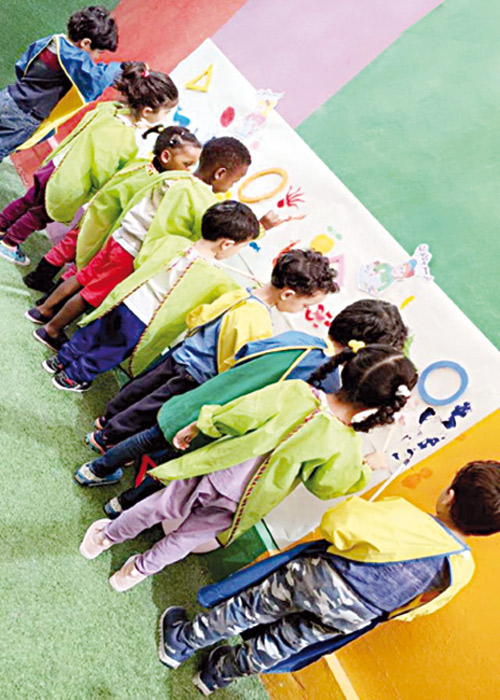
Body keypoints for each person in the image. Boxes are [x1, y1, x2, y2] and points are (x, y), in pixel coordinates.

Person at [77, 344, 417, 593]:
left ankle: (106, 537)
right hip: (247, 500)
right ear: (381, 406)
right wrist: (365, 468)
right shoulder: (346, 443)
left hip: (217, 470)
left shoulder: (298, 392)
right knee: (187, 537)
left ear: (348, 367)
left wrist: (201, 424)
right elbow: (326, 486)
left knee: (158, 506)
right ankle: (135, 572)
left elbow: (241, 414)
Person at [154, 460, 500, 694]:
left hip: (321, 577)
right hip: (356, 615)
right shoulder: (462, 568)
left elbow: (337, 525)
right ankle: (216, 675)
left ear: (449, 495)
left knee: (249, 609)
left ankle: (181, 642)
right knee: (281, 644)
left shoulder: (408, 517)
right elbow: (416, 609)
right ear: (485, 532)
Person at [93, 298, 408, 517]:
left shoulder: (298, 338)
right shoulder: (327, 383)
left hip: (207, 395)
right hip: (224, 425)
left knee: (152, 435)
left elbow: (246, 353)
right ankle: (120, 506)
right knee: (173, 468)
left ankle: (96, 469)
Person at [84, 249, 339, 454]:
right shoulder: (258, 320)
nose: (303, 311)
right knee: (149, 408)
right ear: (288, 294)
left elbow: (200, 317)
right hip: (196, 374)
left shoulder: (243, 294)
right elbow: (240, 364)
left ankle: (107, 420)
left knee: (141, 389)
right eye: (305, 305)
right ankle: (106, 438)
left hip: (182, 354)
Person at [42, 201, 259, 392]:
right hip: (143, 321)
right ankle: (73, 377)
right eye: (240, 248)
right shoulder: (214, 276)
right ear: (227, 244)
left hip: (124, 299)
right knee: (110, 351)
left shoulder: (173, 242)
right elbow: (226, 299)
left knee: (93, 332)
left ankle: (60, 360)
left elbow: (143, 260)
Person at [27, 126, 202, 351]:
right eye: (187, 164)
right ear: (166, 157)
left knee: (82, 276)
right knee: (91, 291)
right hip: (121, 244)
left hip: (112, 235)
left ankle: (43, 309)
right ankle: (51, 328)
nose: (189, 171)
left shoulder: (142, 168)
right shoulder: (166, 186)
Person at [22, 134, 252, 294]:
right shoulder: (182, 188)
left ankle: (45, 291)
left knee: (79, 261)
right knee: (84, 269)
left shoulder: (150, 169)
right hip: (116, 233)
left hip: (104, 222)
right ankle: (48, 291)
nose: (188, 169)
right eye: (186, 163)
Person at [0, 61, 178, 265]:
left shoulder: (109, 109)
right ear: (146, 111)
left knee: (29, 200)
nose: (166, 117)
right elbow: (103, 171)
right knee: (40, 214)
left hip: (56, 165)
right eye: (165, 112)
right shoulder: (125, 139)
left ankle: (2, 225)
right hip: (69, 182)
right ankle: (9, 243)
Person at [0, 6, 120, 162]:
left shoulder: (52, 41)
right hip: (25, 116)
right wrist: (123, 68)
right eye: (98, 52)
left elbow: (23, 66)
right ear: (85, 43)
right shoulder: (72, 58)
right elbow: (97, 79)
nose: (96, 58)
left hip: (8, 97)